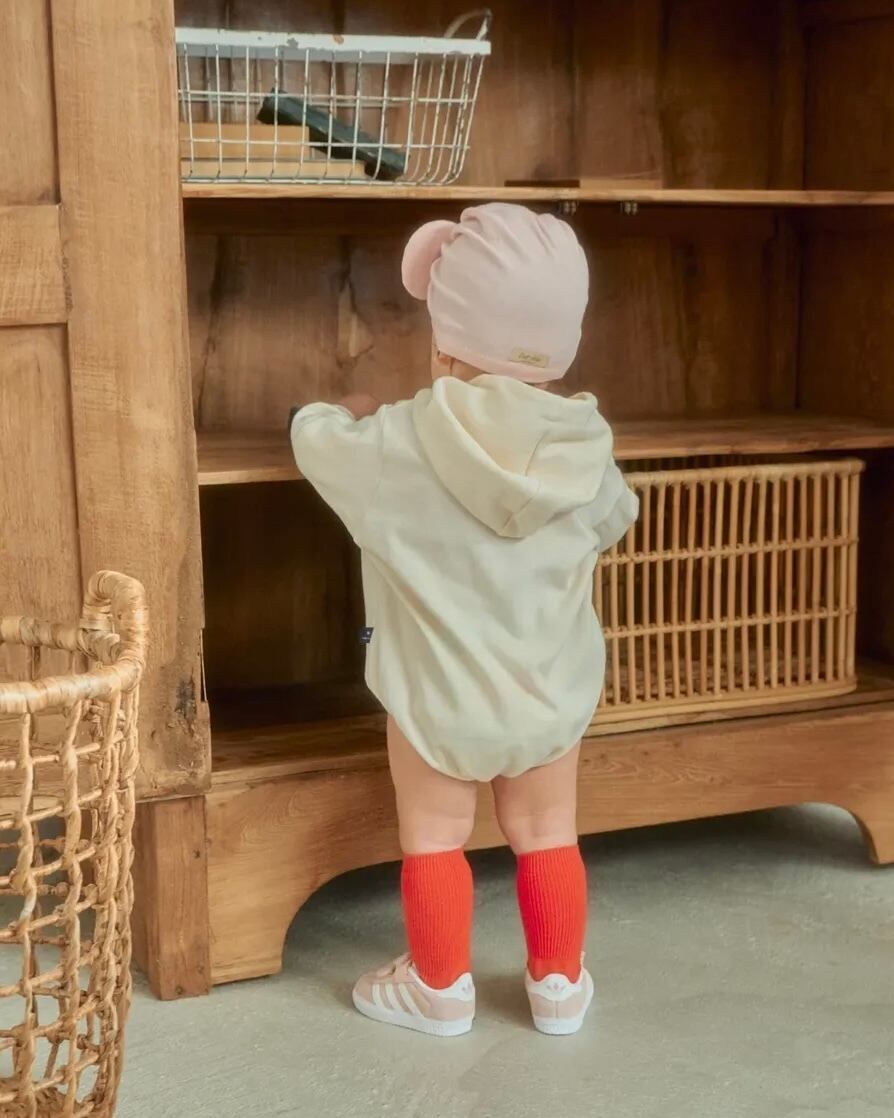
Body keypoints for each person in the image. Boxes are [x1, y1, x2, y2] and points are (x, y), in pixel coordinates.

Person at [290, 203, 638, 1037]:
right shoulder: (586, 446)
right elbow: (614, 519)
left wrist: (344, 406)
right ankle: (559, 985)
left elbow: (315, 443)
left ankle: (439, 989)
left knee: (435, 835)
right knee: (547, 831)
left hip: (436, 701)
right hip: (547, 695)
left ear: (444, 343)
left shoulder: (399, 441)